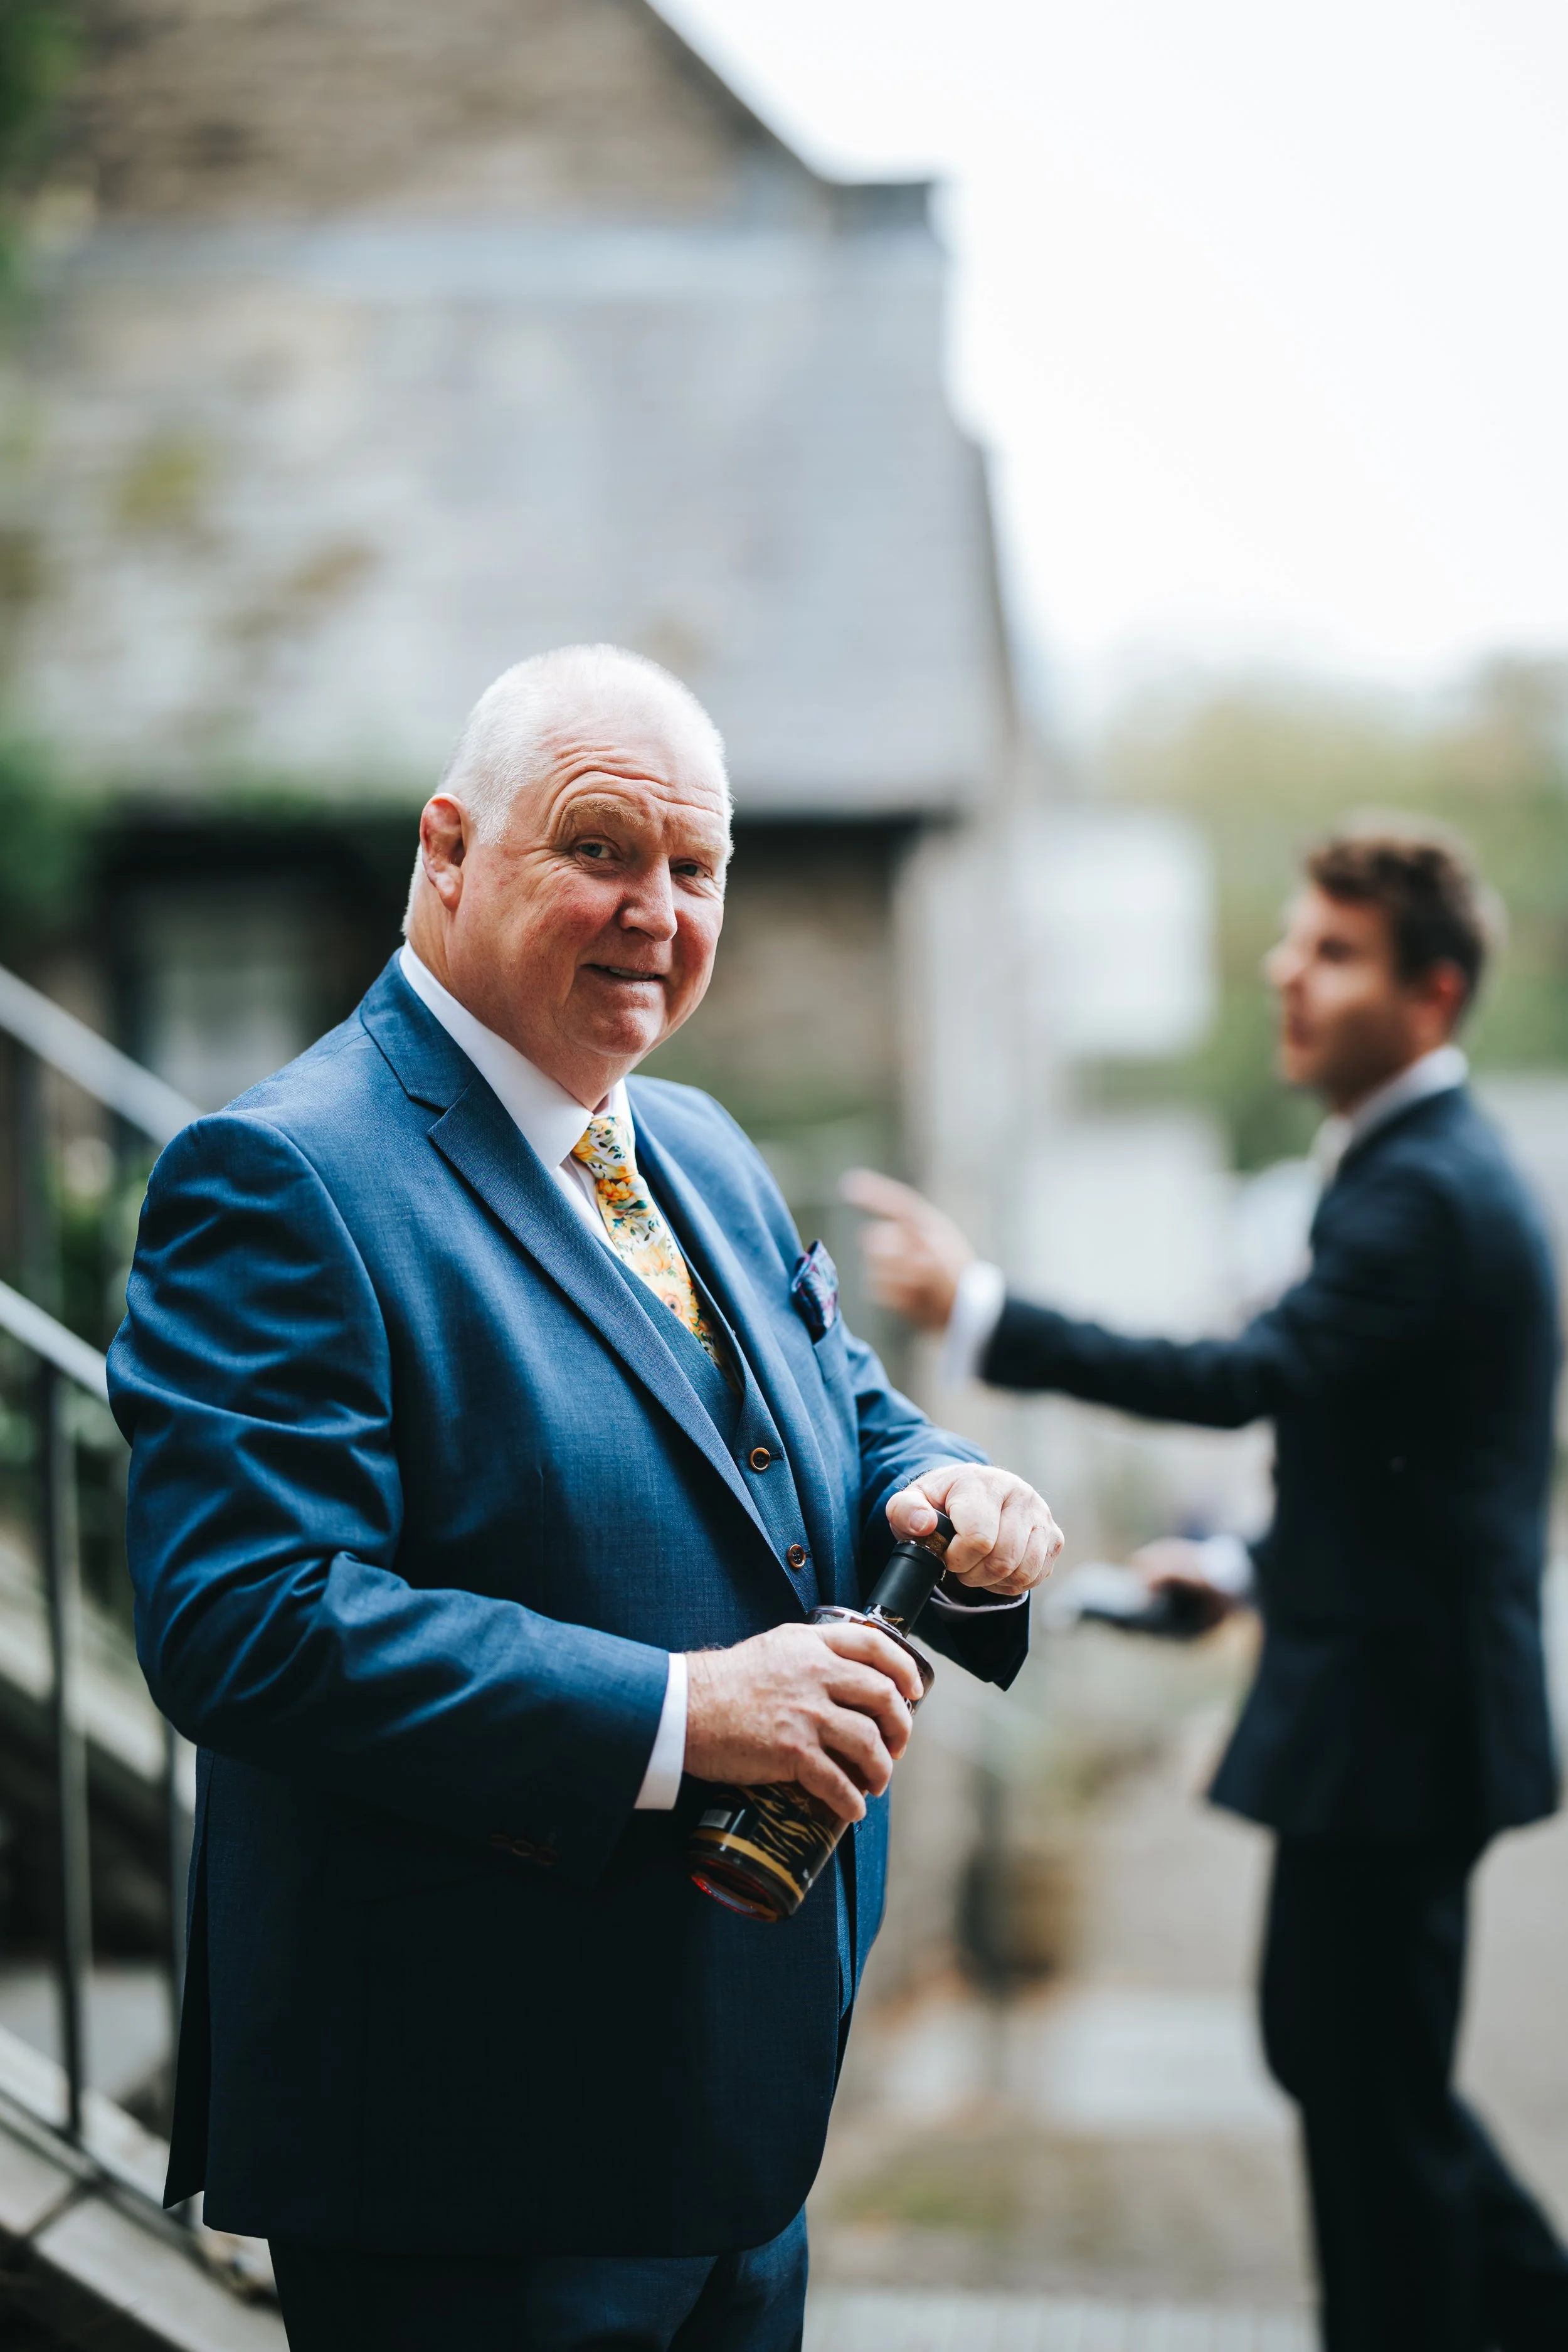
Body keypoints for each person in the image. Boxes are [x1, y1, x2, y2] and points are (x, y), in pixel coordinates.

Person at [107, 645, 1064, 2352]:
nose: (656, 910)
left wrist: (949, 1487)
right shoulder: (279, 1176)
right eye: (602, 849)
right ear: (448, 848)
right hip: (469, 2135)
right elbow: (244, 1621)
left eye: (695, 870)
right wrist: (690, 1707)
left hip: (734, 2120)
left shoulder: (689, 1139)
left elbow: (833, 1415)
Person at [845, 822, 1568, 2352]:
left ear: (1430, 996)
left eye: (1331, 952)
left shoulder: (1422, 1190)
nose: (1283, 973)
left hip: (1398, 1726)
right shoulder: (1408, 1170)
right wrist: (1241, 1568)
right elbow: (1400, 1474)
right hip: (1393, 1705)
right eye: (1290, 943)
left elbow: (1247, 1375)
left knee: (1366, 2096)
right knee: (1353, 2074)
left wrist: (981, 1310)